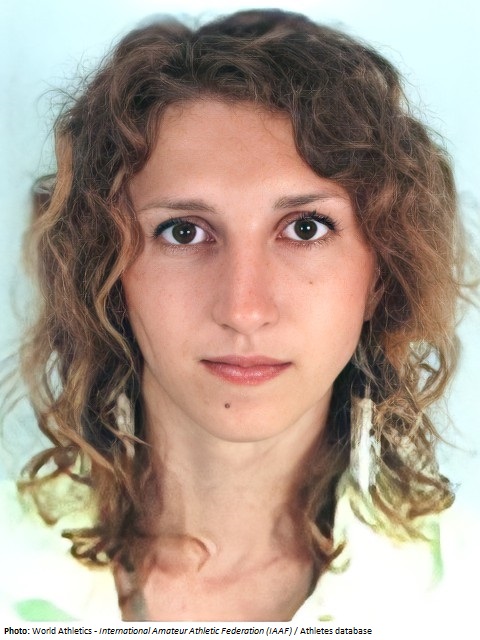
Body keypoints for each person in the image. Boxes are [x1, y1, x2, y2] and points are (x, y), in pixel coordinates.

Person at [1, 8, 476, 625]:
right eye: (183, 231)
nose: (243, 310)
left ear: (382, 271)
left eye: (305, 229)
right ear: (107, 273)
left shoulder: (462, 597)